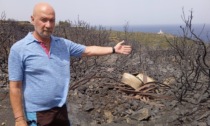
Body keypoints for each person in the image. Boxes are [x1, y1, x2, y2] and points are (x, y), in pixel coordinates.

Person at [8, 2, 132, 126]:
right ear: (32, 19)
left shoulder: (63, 44)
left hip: (61, 110)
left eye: (52, 20)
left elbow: (88, 50)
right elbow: (15, 87)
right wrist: (19, 119)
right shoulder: (19, 49)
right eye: (44, 20)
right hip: (37, 114)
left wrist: (113, 49)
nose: (48, 25)